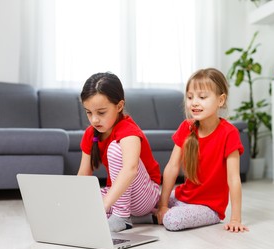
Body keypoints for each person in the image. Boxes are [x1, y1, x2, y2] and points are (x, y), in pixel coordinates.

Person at [155, 68, 249, 232]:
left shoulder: (229, 133)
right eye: (190, 97)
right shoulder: (186, 127)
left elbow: (234, 179)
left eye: (202, 97)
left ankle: (156, 216)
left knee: (172, 219)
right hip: (182, 197)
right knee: (147, 201)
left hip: (208, 208)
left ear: (221, 100)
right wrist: (163, 205)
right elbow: (172, 167)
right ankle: (150, 214)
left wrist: (235, 219)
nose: (194, 102)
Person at [78, 72, 160, 232]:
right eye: (89, 112)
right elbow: (83, 174)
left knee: (116, 149)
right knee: (84, 203)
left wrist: (105, 204)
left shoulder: (128, 131)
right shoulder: (90, 133)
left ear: (119, 106)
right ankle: (142, 218)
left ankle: (121, 216)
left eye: (101, 113)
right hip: (121, 194)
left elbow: (130, 170)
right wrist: (78, 202)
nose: (94, 119)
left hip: (146, 195)